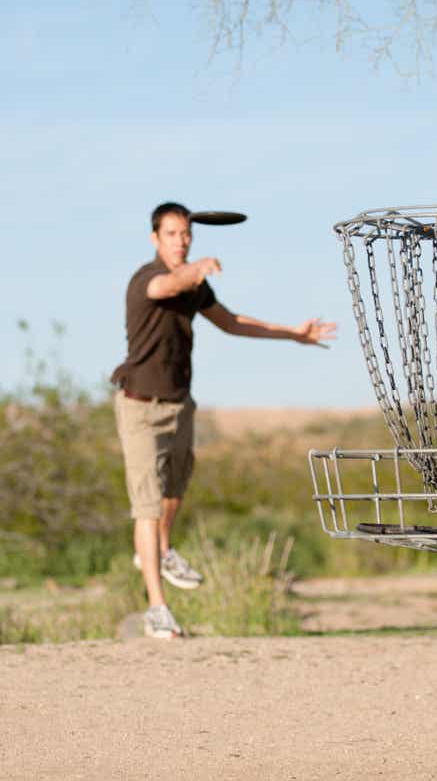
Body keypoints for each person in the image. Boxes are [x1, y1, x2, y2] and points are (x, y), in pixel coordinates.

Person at [110, 202, 337, 639]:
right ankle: (158, 607)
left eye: (186, 234)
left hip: (179, 404)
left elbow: (232, 322)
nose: (182, 240)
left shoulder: (195, 290)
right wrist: (194, 270)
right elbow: (164, 286)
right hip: (139, 407)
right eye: (172, 234)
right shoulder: (145, 280)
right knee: (147, 504)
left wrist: (295, 334)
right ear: (156, 239)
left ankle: (160, 548)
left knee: (176, 488)